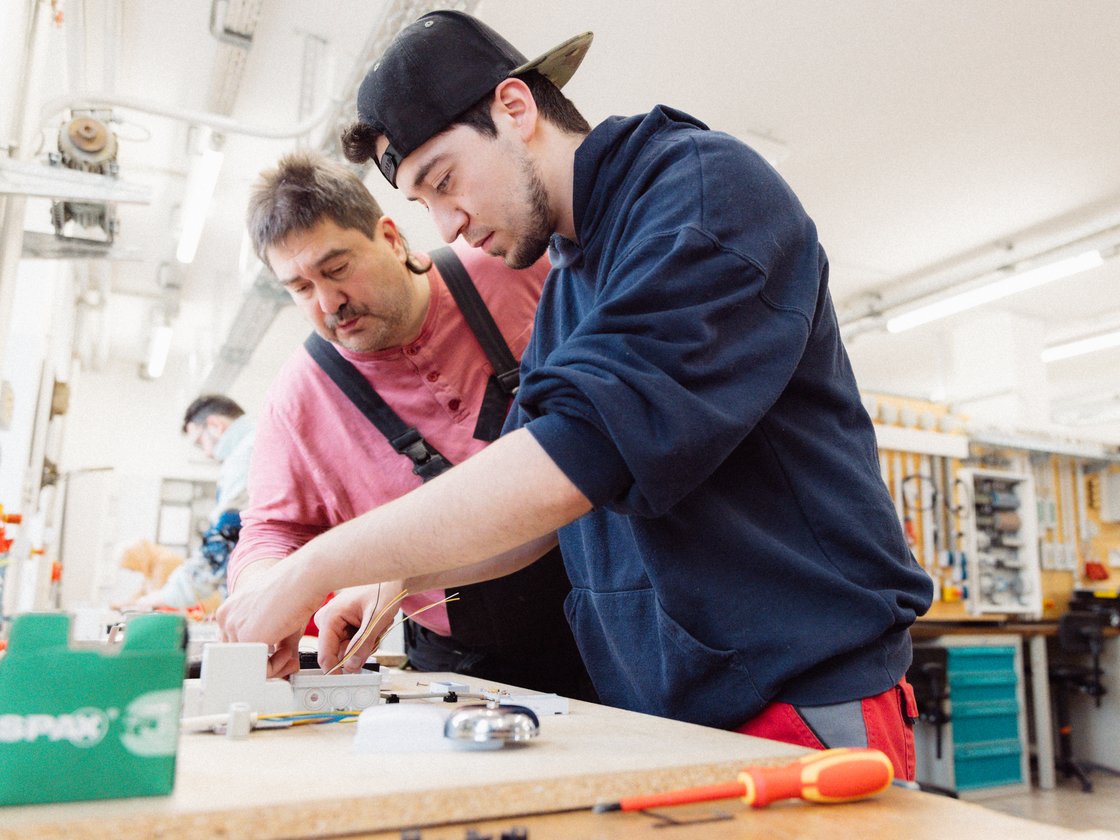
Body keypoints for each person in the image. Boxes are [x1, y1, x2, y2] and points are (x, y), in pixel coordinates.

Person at [218, 11, 933, 779]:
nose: (450, 228)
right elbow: (537, 517)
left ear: (515, 108)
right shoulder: (570, 277)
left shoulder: (700, 197)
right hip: (667, 710)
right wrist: (395, 576)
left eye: (445, 181)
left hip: (793, 700)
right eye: (423, 203)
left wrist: (310, 569)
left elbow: (574, 457)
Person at [229, 151, 592, 699]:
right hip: (467, 656)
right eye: (300, 289)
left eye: (337, 268)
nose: (330, 302)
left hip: (616, 604)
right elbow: (271, 531)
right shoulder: (298, 401)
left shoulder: (517, 271)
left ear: (392, 238)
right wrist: (264, 596)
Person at [136, 394, 253, 609]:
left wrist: (167, 596)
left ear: (215, 425)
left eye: (200, 442)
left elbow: (223, 541)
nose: (207, 454)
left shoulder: (245, 455)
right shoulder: (259, 443)